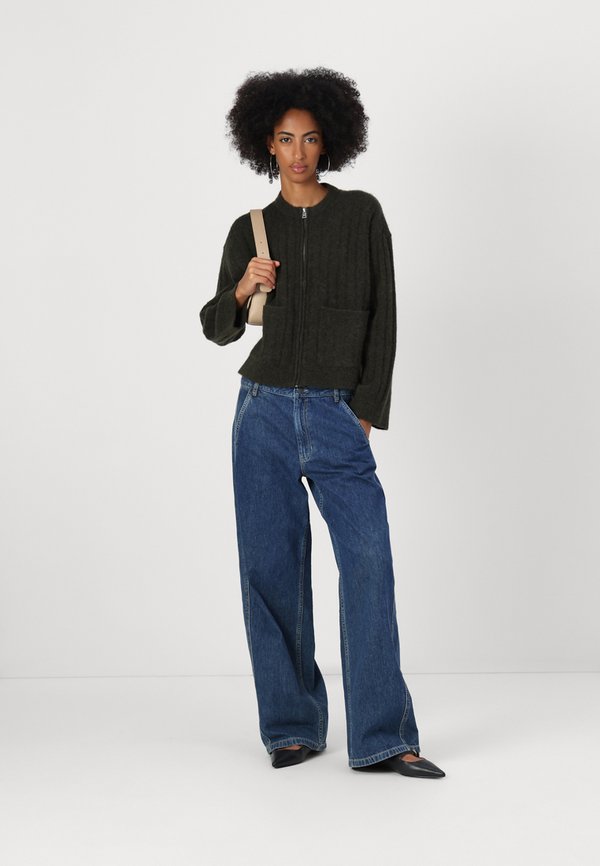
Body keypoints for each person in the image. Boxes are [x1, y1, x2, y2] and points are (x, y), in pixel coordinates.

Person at [199, 67, 445, 779]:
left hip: (339, 412)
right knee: (270, 570)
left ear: (329, 141)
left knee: (368, 562)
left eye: (309, 139)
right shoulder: (250, 228)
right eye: (285, 139)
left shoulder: (362, 214)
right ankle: (291, 727)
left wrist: (366, 408)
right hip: (264, 413)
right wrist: (243, 286)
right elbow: (216, 326)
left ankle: (383, 737)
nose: (298, 151)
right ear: (266, 146)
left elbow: (384, 317)